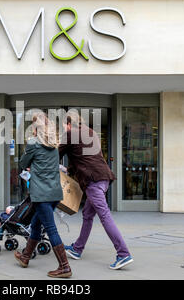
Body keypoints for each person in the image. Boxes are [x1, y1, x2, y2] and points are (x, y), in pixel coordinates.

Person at [59, 112, 133, 270]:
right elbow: (82, 157)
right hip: (103, 177)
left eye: (64, 125)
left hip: (92, 181)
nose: (63, 129)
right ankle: (78, 249)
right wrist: (69, 170)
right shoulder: (91, 132)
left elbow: (55, 154)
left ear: (68, 123)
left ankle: (123, 253)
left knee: (104, 215)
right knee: (87, 215)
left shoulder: (71, 134)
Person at [14, 112, 72, 278]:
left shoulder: (33, 143)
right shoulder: (54, 145)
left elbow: (23, 163)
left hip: (41, 194)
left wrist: (30, 156)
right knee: (36, 223)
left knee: (51, 229)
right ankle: (25, 257)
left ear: (36, 128)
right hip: (54, 193)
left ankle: (64, 267)